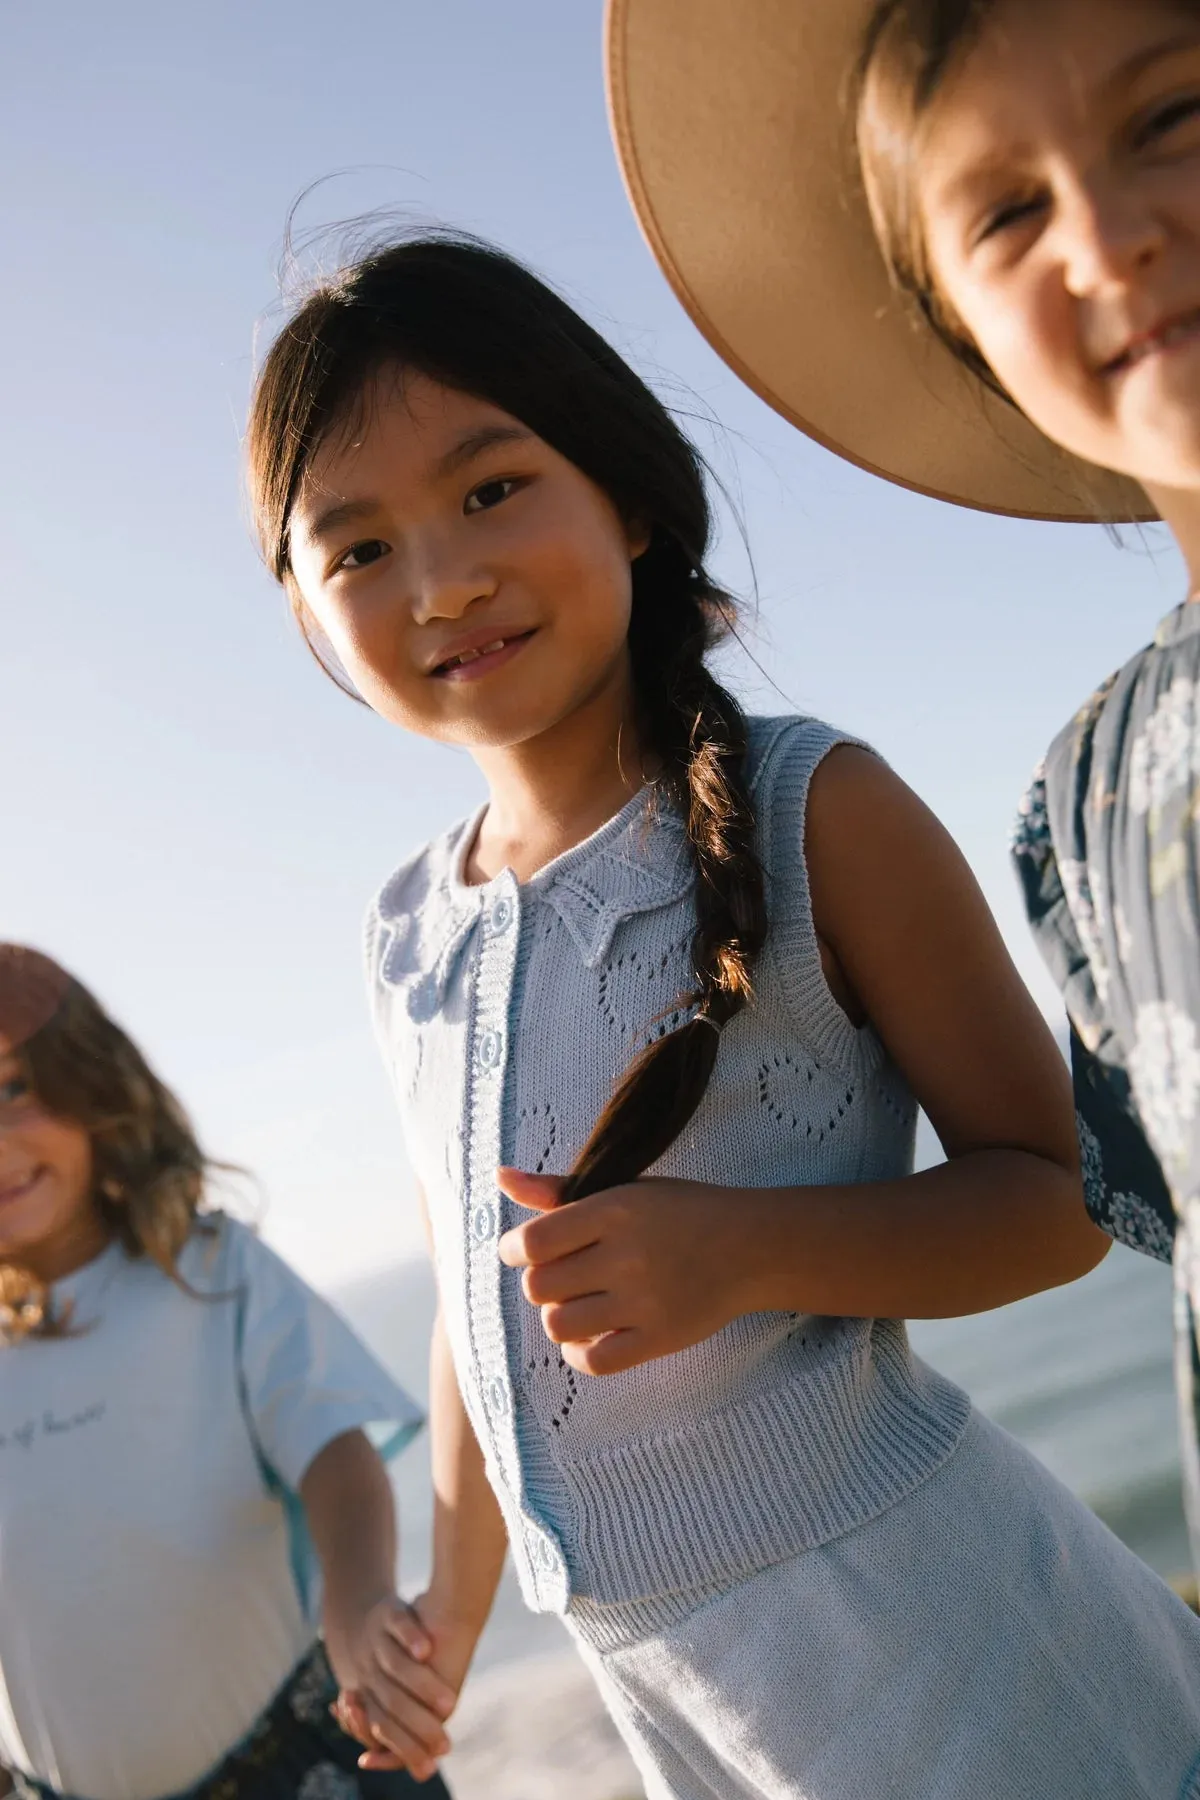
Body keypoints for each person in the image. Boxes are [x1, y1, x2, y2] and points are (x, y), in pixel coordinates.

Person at [245, 229, 1200, 1800]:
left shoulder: (812, 804)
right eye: (356, 548)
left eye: (491, 490)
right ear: (303, 612)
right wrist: (454, 1614)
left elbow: (1058, 1199)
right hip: (685, 1716)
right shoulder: (404, 936)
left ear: (624, 491)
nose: (445, 578)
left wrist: (742, 1252)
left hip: (950, 1645)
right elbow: (477, 1313)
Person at [604, 0, 1200, 1570]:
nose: (1109, 234)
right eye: (1006, 210)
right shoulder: (1086, 800)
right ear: (956, 328)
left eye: (1175, 116)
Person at [0, 943, 452, 1800]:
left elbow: (335, 1455)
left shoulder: (210, 1273)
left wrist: (358, 1606)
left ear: (90, 1083)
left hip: (296, 1765)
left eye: (13, 1087)